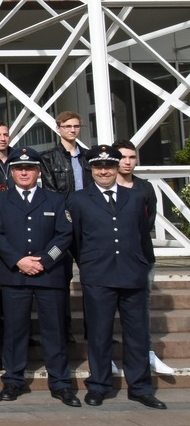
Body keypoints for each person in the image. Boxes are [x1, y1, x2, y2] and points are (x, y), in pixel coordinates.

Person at [69, 144, 165, 409]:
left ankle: (141, 387)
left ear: (116, 168)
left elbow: (142, 235)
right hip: (98, 276)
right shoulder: (78, 200)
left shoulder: (135, 197)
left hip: (132, 274)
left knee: (137, 334)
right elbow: (75, 239)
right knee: (99, 334)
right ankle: (99, 386)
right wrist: (87, 265)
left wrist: (143, 263)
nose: (104, 171)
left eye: (109, 166)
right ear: (91, 169)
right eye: (99, 167)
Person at [0, 147, 79, 407]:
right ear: (12, 171)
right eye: (18, 168)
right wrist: (19, 260)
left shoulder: (55, 200)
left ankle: (61, 383)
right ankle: (13, 380)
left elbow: (64, 234)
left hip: (49, 275)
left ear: (38, 171)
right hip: (15, 275)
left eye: (29, 168)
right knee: (15, 331)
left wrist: (45, 260)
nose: (24, 172)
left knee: (55, 331)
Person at [113, 140, 175, 375]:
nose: (127, 162)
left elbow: (146, 222)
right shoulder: (104, 187)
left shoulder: (145, 188)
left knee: (141, 307)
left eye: (132, 157)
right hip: (110, 259)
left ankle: (145, 352)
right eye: (123, 157)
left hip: (141, 256)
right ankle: (106, 357)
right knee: (105, 309)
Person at [41, 111, 90, 197]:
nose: (72, 130)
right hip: (64, 208)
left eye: (76, 126)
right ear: (58, 128)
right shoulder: (48, 158)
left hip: (89, 206)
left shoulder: (88, 155)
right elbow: (50, 191)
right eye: (68, 126)